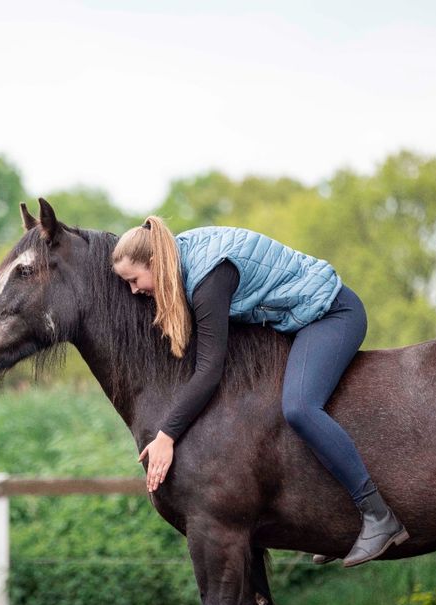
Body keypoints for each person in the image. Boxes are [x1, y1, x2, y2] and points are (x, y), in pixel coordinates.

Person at [111, 216, 409, 568]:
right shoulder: (181, 254)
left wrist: (167, 435)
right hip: (296, 324)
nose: (134, 291)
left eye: (134, 280)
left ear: (155, 263)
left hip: (332, 314)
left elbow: (209, 372)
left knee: (299, 407)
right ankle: (340, 524)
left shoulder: (208, 280)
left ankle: (379, 515)